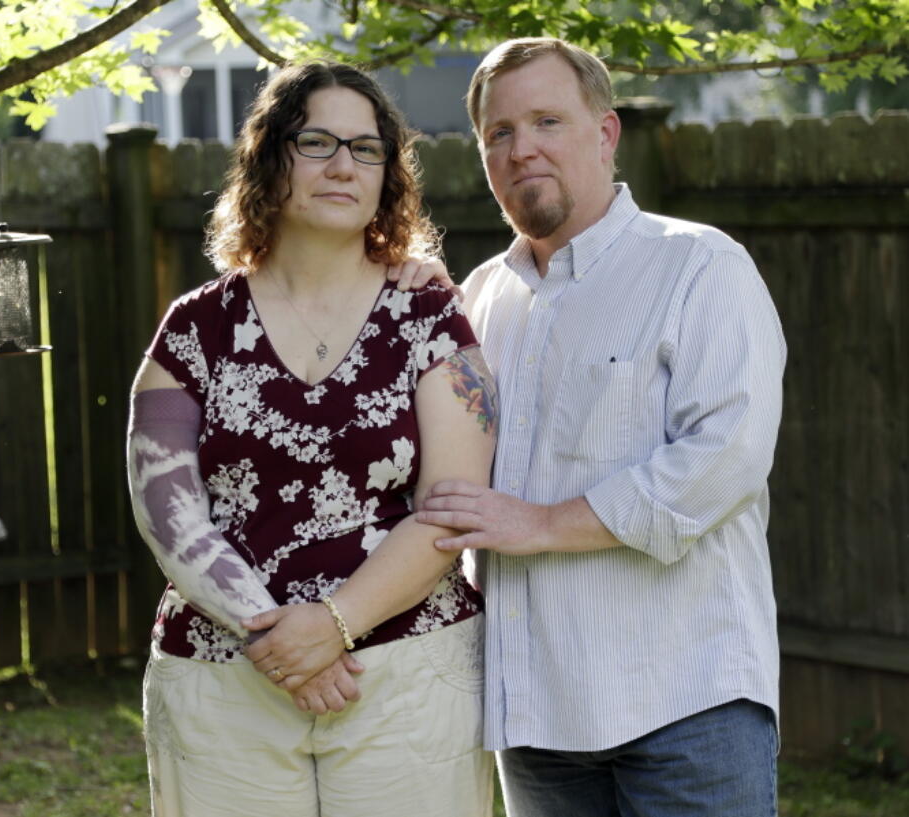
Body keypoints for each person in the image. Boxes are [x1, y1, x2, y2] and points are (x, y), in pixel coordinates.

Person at [404, 37, 787, 817]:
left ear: (606, 133)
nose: (522, 150)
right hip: (536, 720)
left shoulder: (700, 267)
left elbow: (726, 459)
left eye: (547, 121)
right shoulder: (477, 301)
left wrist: (541, 522)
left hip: (687, 704)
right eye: (499, 134)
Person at [126, 60, 498, 817]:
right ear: (271, 158)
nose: (342, 165)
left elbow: (451, 508)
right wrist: (277, 638)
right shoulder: (195, 327)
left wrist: (331, 626)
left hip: (406, 675)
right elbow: (167, 508)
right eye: (317, 141)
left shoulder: (431, 319)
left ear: (388, 174)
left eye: (366, 149)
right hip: (223, 679)